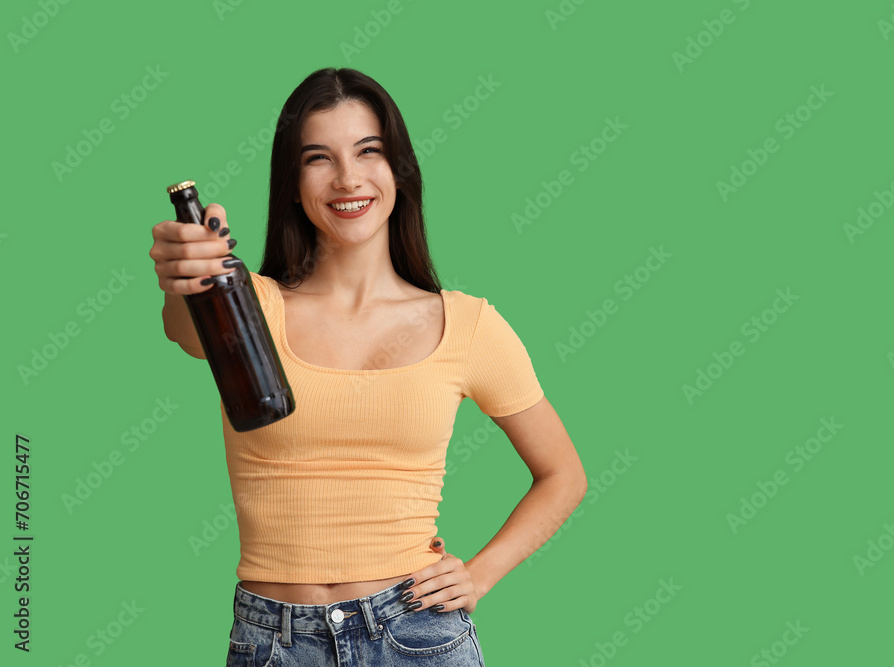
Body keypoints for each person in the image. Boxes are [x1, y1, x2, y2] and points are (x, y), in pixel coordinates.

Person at [149, 67, 586, 666]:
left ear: (398, 169)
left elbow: (563, 474)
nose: (348, 178)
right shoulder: (248, 305)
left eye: (368, 151)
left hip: (419, 633)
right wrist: (184, 278)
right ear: (294, 183)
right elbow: (186, 333)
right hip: (275, 643)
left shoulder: (468, 325)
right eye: (318, 158)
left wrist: (479, 576)